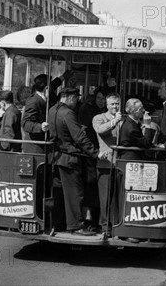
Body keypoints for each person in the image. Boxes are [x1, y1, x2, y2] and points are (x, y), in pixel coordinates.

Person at [48, 87, 99, 236]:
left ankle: (58, 223)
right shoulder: (69, 113)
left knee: (58, 193)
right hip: (69, 158)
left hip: (55, 158)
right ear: (69, 97)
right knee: (75, 194)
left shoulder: (52, 110)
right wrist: (95, 153)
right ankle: (77, 226)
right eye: (76, 98)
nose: (77, 101)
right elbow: (79, 138)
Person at [77, 86, 108, 232]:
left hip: (103, 154)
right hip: (90, 154)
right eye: (99, 98)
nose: (101, 102)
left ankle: (100, 219)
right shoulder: (87, 109)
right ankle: (88, 219)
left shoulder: (109, 113)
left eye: (104, 99)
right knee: (89, 186)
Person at [92, 92, 123, 233]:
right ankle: (105, 226)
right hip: (106, 164)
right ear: (106, 104)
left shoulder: (124, 119)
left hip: (121, 165)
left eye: (117, 104)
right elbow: (101, 130)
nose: (115, 107)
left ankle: (117, 225)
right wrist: (114, 121)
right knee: (104, 197)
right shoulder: (99, 118)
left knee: (118, 197)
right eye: (112, 104)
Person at [21, 72, 70, 154]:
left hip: (44, 144)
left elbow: (54, 84)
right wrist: (40, 127)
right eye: (50, 86)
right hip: (36, 147)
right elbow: (26, 123)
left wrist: (62, 78)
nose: (52, 88)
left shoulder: (45, 97)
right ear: (46, 88)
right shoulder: (33, 101)